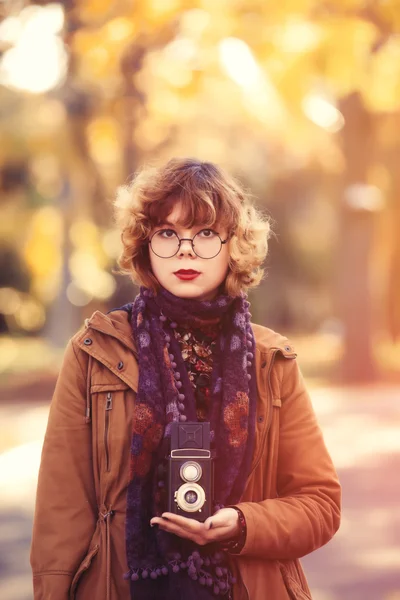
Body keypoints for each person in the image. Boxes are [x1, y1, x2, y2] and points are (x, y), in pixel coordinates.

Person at [30, 158, 341, 600]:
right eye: (168, 233)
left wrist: (243, 524)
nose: (186, 250)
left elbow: (320, 504)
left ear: (234, 245)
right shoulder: (94, 351)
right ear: (145, 245)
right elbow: (60, 507)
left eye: (206, 233)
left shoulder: (272, 360)